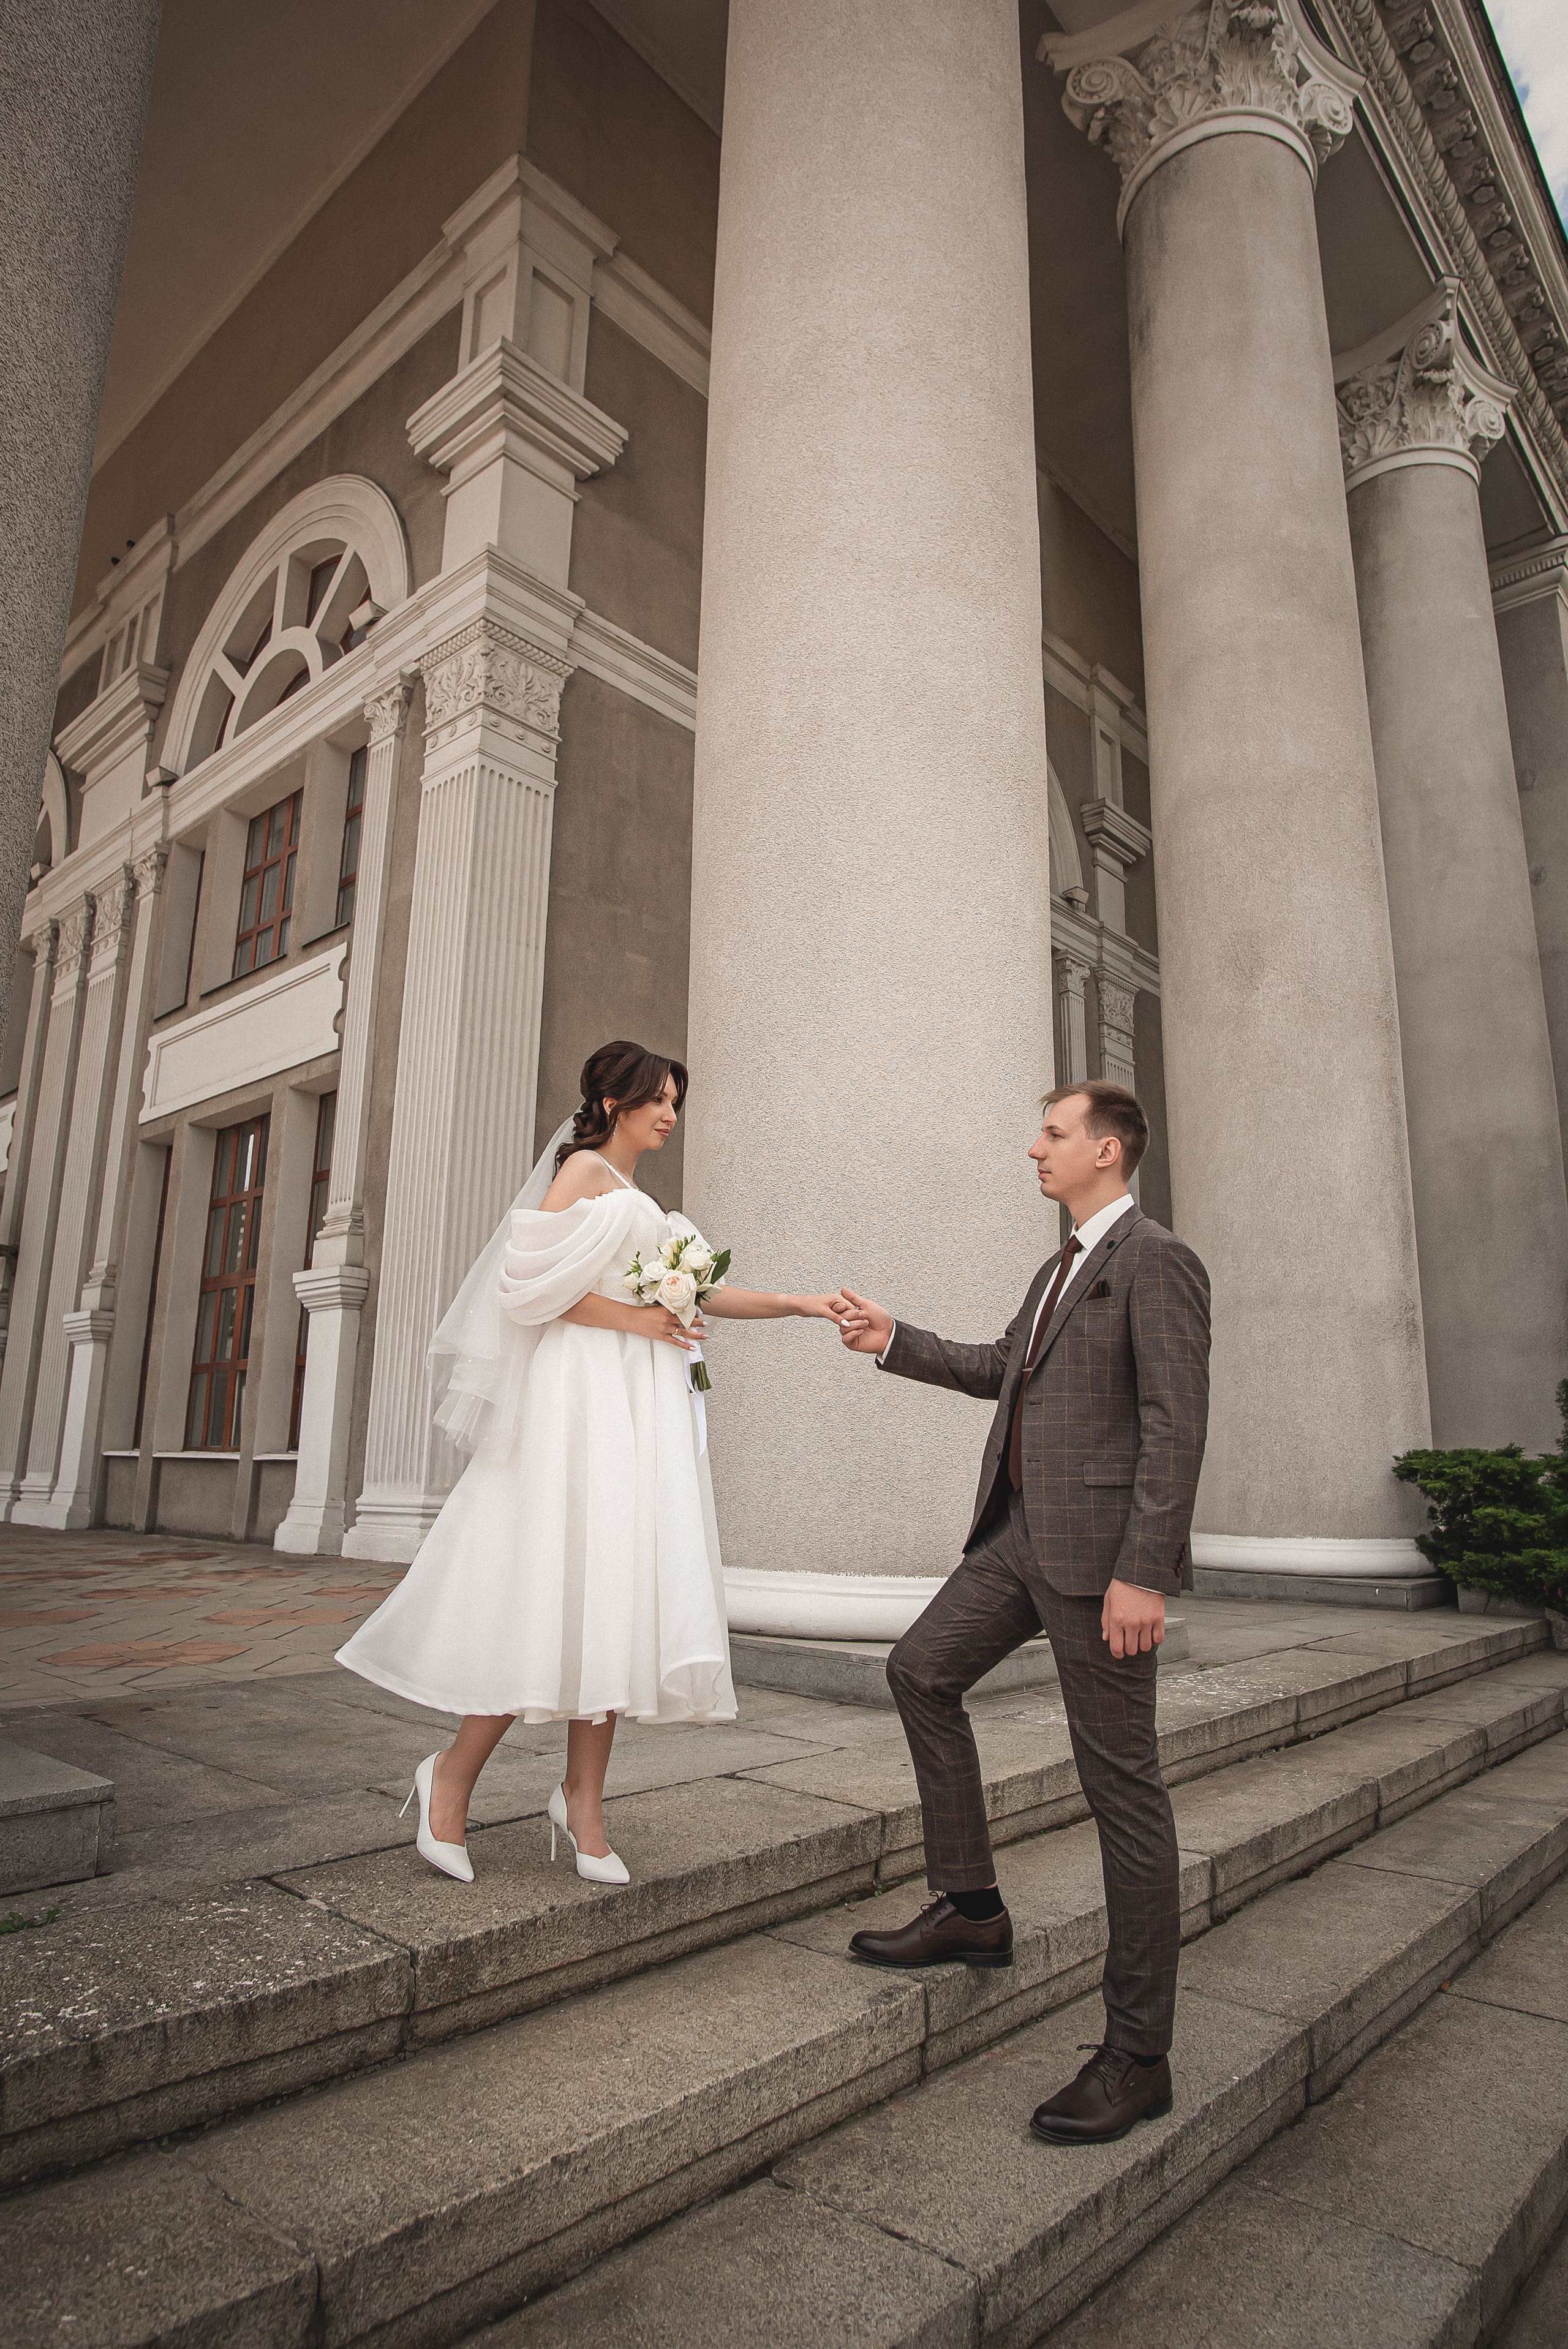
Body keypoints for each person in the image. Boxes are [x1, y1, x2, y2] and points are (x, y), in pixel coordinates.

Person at [337, 1041, 837, 1886]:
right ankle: (448, 1784)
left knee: (613, 1597)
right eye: (659, 1102)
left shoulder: (645, 1202)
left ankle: (583, 1804)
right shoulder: (579, 1177)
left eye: (676, 1102)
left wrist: (796, 1304)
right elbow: (527, 1289)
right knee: (546, 1593)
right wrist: (638, 1321)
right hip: (578, 1412)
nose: (671, 1116)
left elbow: (699, 1290)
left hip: (634, 1413)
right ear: (613, 1103)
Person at [829, 1080, 1210, 2145]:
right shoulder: (1060, 1268)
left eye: (1052, 1133)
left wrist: (1147, 1568)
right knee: (921, 1670)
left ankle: (1138, 2055)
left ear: (1109, 1149)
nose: (1032, 1148)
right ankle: (972, 1910)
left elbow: (1175, 1424)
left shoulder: (1157, 1261)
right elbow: (1004, 1371)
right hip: (1016, 1540)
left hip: (1101, 1569)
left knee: (1121, 1790)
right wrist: (894, 1337)